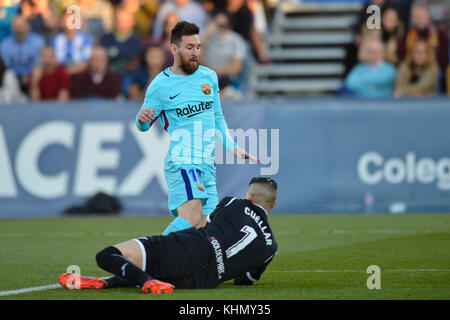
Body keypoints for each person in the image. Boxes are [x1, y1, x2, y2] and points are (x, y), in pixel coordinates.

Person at [135, 21, 258, 236]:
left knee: (207, 227)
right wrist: (141, 119)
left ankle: (164, 264)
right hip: (183, 161)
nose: (195, 52)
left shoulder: (209, 77)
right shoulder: (160, 85)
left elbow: (217, 116)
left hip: (207, 164)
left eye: (198, 47)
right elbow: (144, 125)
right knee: (192, 217)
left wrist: (232, 147)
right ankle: (150, 255)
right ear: (173, 49)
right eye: (189, 47)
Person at [58, 177, 278, 294]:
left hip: (189, 247)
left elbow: (205, 224)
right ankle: (107, 283)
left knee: (107, 255)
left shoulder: (234, 202)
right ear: (274, 204)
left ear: (249, 196)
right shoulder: (271, 247)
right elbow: (246, 280)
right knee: (159, 268)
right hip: (200, 282)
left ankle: (146, 281)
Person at [98, 8, 142, 97]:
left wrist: (116, 53)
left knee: (128, 88)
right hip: (107, 74)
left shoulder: (138, 40)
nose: (122, 24)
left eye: (126, 21)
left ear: (132, 22)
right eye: (120, 20)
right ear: (115, 21)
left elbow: (134, 61)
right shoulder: (106, 38)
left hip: (128, 75)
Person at [201, 11, 246, 92]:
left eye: (223, 25)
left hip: (227, 79)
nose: (220, 28)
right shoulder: (208, 38)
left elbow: (237, 68)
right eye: (217, 24)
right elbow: (197, 57)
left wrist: (217, 72)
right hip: (208, 78)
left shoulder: (235, 40)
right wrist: (207, 32)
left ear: (229, 25)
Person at [0, 15, 45, 93]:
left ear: (28, 27)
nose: (19, 30)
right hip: (13, 78)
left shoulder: (38, 42)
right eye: (16, 27)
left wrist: (28, 76)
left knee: (38, 73)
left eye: (21, 26)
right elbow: (5, 67)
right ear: (12, 28)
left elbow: (39, 63)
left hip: (32, 77)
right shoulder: (5, 44)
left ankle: (37, 103)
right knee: (8, 77)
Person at [50, 12, 93, 77]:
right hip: (59, 75)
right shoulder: (55, 40)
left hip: (79, 75)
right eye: (65, 20)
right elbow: (52, 60)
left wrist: (66, 73)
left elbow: (86, 62)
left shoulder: (86, 39)